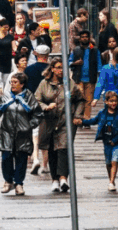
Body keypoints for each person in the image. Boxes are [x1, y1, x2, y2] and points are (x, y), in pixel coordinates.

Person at [34, 58, 85, 193]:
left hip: (65, 121)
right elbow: (36, 100)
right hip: (49, 121)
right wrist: (46, 107)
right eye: (57, 67)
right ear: (52, 69)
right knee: (52, 151)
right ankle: (55, 180)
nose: (60, 70)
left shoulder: (70, 84)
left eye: (63, 68)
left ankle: (63, 178)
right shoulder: (44, 84)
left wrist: (77, 116)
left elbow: (81, 100)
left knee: (63, 148)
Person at [0, 73, 40, 196]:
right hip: (7, 132)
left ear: (22, 84)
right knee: (6, 157)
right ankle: (8, 181)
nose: (12, 84)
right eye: (11, 82)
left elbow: (38, 114)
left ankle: (19, 183)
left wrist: (30, 126)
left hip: (23, 134)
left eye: (15, 82)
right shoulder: (6, 96)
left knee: (21, 158)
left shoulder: (29, 97)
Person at [74, 90, 118, 191]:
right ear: (106, 102)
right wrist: (82, 122)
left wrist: (116, 139)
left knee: (115, 160)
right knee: (108, 162)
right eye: (111, 101)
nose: (114, 103)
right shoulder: (102, 113)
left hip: (117, 142)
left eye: (116, 101)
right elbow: (93, 121)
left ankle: (111, 182)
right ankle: (111, 179)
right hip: (106, 141)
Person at [69, 30, 100, 120]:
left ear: (89, 38)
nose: (84, 38)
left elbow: (99, 64)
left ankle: (86, 120)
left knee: (88, 100)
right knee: (79, 99)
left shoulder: (95, 50)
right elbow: (69, 62)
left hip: (91, 79)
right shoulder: (75, 50)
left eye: (86, 36)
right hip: (78, 79)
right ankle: (78, 117)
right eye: (82, 37)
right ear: (80, 39)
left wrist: (99, 76)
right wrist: (75, 63)